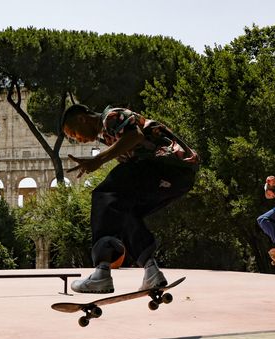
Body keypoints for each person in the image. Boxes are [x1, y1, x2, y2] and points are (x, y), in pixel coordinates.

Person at [61, 104, 199, 293]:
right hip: (179, 179)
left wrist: (99, 159)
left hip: (163, 164)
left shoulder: (110, 117)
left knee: (103, 195)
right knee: (125, 212)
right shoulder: (109, 136)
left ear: (82, 119)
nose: (78, 139)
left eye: (74, 133)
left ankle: (101, 272)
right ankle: (151, 271)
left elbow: (136, 136)